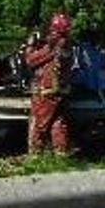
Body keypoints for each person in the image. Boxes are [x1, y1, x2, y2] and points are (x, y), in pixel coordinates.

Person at [25, 12, 73, 153]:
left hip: (46, 92)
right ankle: (61, 154)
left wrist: (30, 45)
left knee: (38, 124)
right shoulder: (66, 44)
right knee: (57, 123)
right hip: (60, 91)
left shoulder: (53, 46)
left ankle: (35, 156)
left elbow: (30, 61)